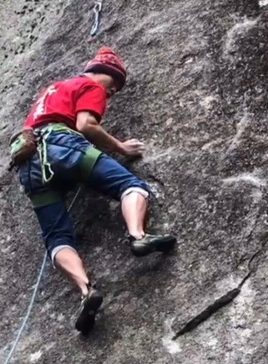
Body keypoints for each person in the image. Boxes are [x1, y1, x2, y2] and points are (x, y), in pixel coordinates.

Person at [13, 47, 176, 334]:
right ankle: (138, 236)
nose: (111, 93)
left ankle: (86, 290)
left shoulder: (52, 90)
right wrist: (120, 147)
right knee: (130, 185)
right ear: (102, 73)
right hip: (63, 147)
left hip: (28, 165)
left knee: (56, 237)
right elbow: (85, 124)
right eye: (113, 85)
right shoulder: (90, 86)